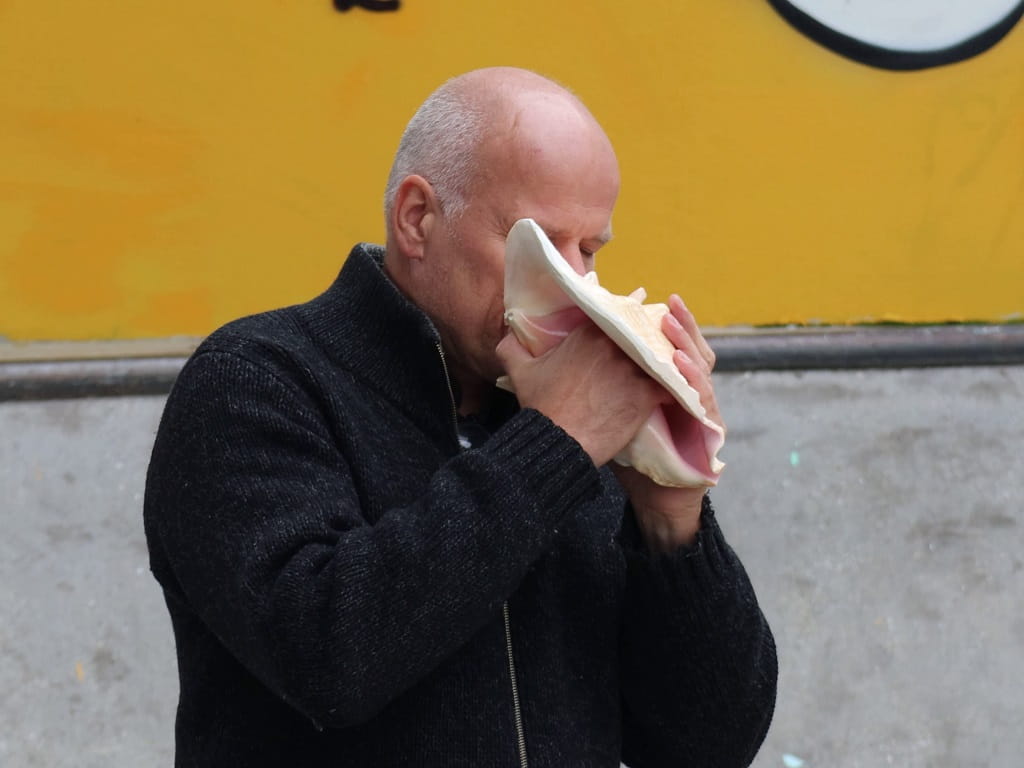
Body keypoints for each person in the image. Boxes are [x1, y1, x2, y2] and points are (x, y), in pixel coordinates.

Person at [144, 66, 777, 767]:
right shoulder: (256, 381)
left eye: (590, 251)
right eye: (540, 244)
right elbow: (327, 659)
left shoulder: (571, 422)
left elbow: (711, 744)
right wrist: (556, 445)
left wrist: (672, 520)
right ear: (418, 219)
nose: (574, 288)